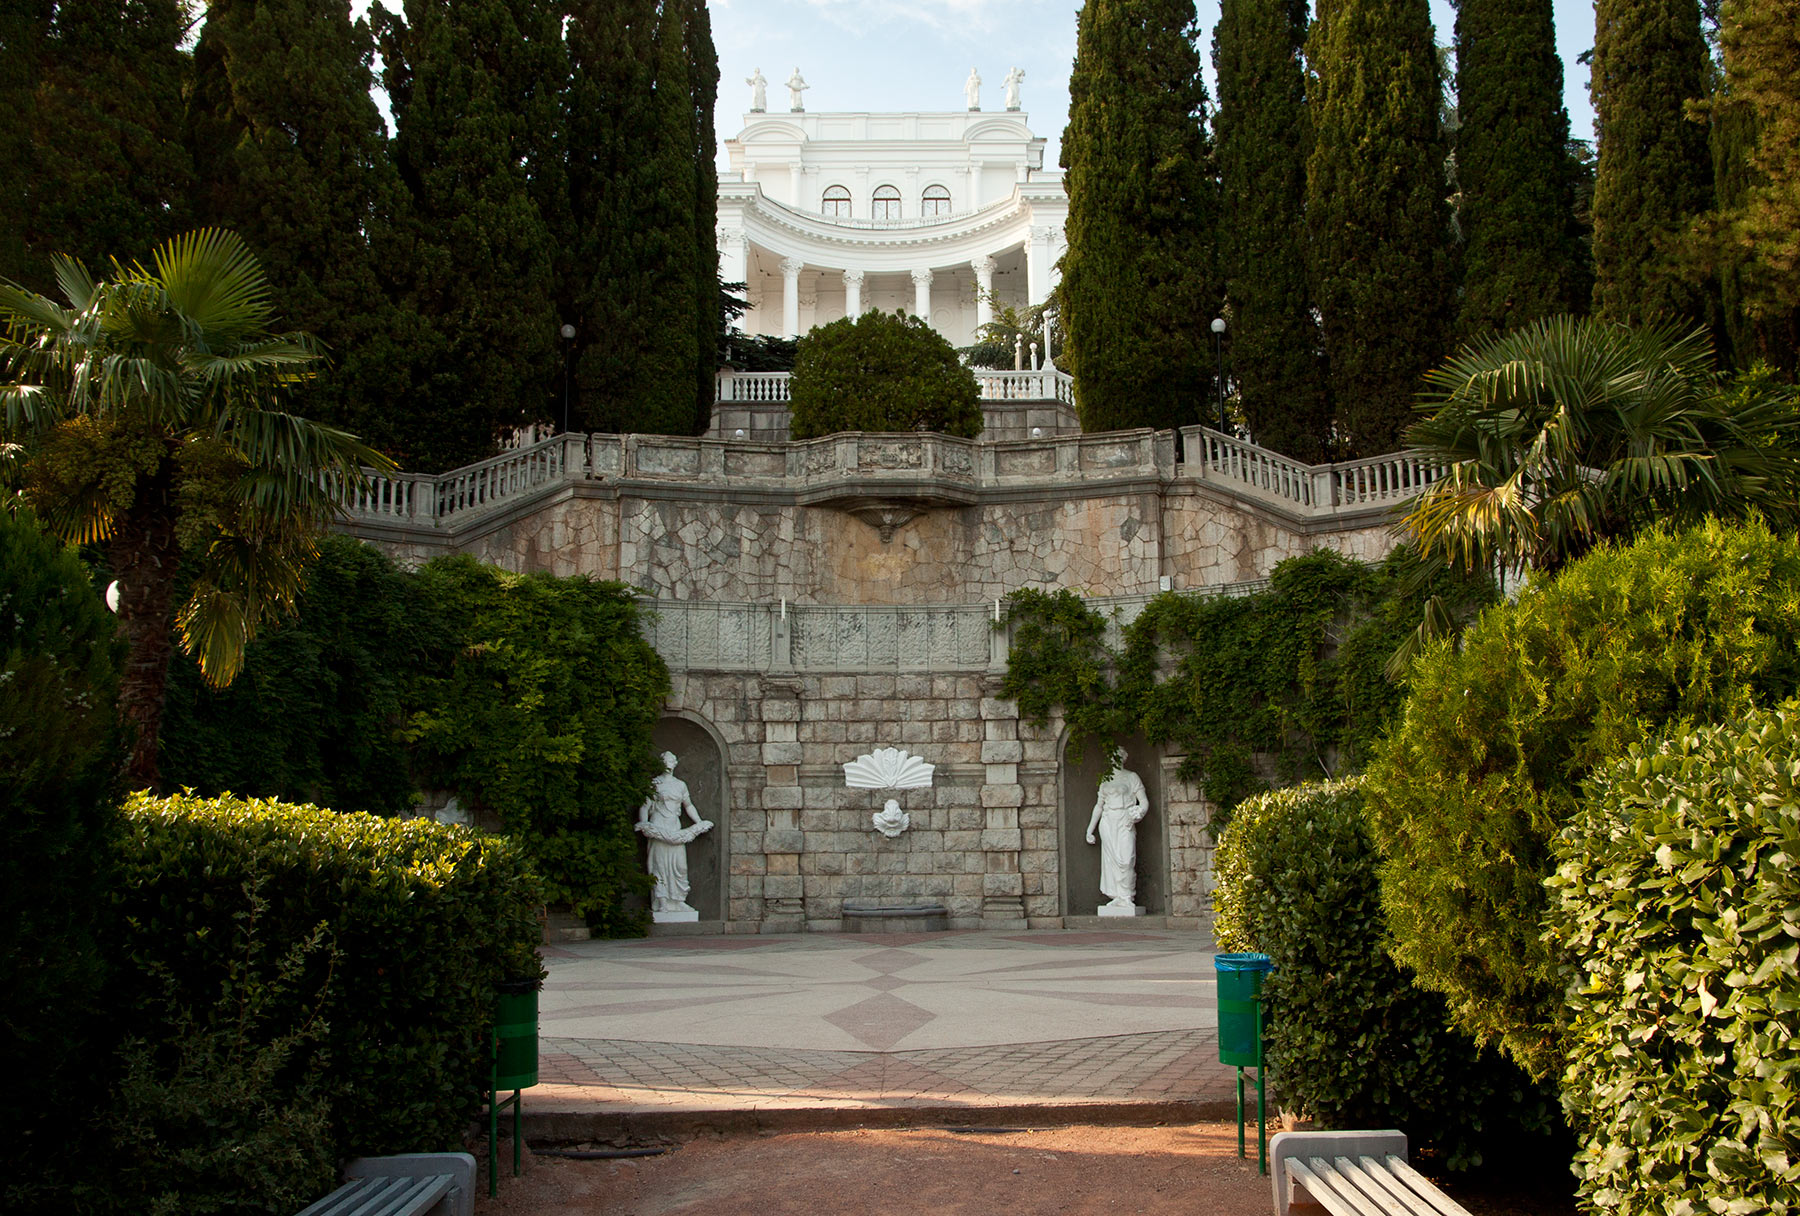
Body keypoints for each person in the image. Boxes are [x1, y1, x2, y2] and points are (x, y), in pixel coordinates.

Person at [636, 751, 713, 918]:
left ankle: (678, 900)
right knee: (660, 866)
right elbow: (644, 807)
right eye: (665, 759)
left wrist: (698, 822)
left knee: (680, 866)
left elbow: (689, 806)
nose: (668, 762)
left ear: (676, 762)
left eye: (671, 759)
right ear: (661, 762)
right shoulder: (654, 784)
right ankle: (662, 900)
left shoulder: (680, 785)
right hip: (658, 824)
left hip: (675, 826)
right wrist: (645, 824)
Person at [1086, 760, 1149, 913]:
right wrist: (1090, 829)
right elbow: (1099, 805)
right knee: (1111, 861)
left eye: (1118, 755)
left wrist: (1138, 814)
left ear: (1124, 758)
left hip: (1124, 819)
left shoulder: (1131, 777)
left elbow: (1144, 802)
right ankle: (1117, 897)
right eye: (1112, 756)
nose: (1114, 759)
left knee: (1127, 859)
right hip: (1107, 820)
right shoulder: (1105, 778)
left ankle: (1126, 896)